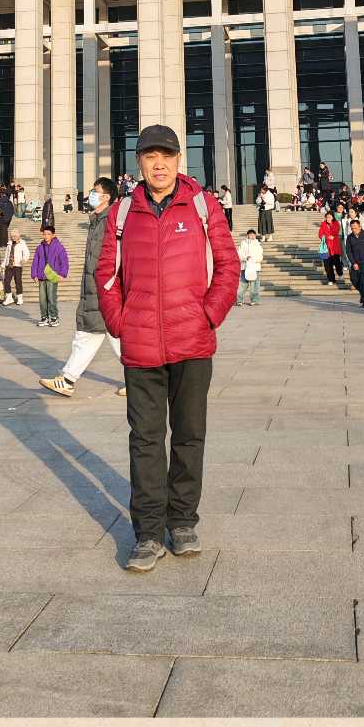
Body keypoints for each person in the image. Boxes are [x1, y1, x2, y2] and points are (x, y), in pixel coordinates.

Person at [96, 125, 237, 573]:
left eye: (167, 156)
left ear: (179, 160)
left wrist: (208, 314)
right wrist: (119, 322)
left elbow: (228, 264)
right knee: (145, 439)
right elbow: (105, 274)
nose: (159, 164)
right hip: (140, 345)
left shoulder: (202, 206)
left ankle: (183, 521)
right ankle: (149, 532)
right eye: (150, 156)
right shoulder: (122, 213)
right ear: (139, 162)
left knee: (190, 435)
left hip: (192, 341)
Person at [40, 178, 126, 397]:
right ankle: (69, 379)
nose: (91, 195)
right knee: (99, 335)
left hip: (104, 288)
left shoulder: (110, 221)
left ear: (106, 197)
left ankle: (68, 379)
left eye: (95, 191)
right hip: (94, 288)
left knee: (98, 334)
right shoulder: (97, 221)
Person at [31, 225, 69, 327]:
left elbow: (64, 261)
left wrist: (62, 274)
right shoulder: (40, 247)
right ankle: (44, 317)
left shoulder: (58, 247)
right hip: (41, 276)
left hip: (52, 275)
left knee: (51, 297)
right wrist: (34, 274)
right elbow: (35, 261)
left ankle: (54, 317)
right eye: (44, 234)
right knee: (42, 299)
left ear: (53, 235)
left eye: (48, 234)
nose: (46, 236)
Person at [1, 226, 31, 305]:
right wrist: (3, 263)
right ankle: (9, 297)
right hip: (9, 265)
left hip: (18, 265)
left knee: (18, 281)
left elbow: (27, 253)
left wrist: (24, 259)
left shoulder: (22, 244)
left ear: (18, 236)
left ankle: (20, 297)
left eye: (15, 236)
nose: (13, 237)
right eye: (12, 236)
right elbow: (7, 255)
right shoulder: (9, 244)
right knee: (6, 281)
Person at [236, 227, 263, 305]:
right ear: (247, 235)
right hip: (245, 267)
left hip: (255, 267)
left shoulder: (258, 244)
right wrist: (245, 258)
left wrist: (254, 260)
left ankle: (255, 300)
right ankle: (239, 300)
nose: (252, 236)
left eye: (253, 235)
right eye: (250, 235)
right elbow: (239, 254)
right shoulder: (243, 243)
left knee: (255, 285)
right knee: (243, 284)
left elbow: (260, 256)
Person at [318, 210, 344, 285]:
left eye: (329, 217)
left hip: (335, 247)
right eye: (327, 217)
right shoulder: (323, 224)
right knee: (327, 265)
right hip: (326, 248)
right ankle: (331, 279)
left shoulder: (336, 223)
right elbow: (320, 234)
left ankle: (340, 273)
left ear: (333, 217)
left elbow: (335, 232)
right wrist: (327, 237)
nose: (328, 218)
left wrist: (330, 224)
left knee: (337, 262)